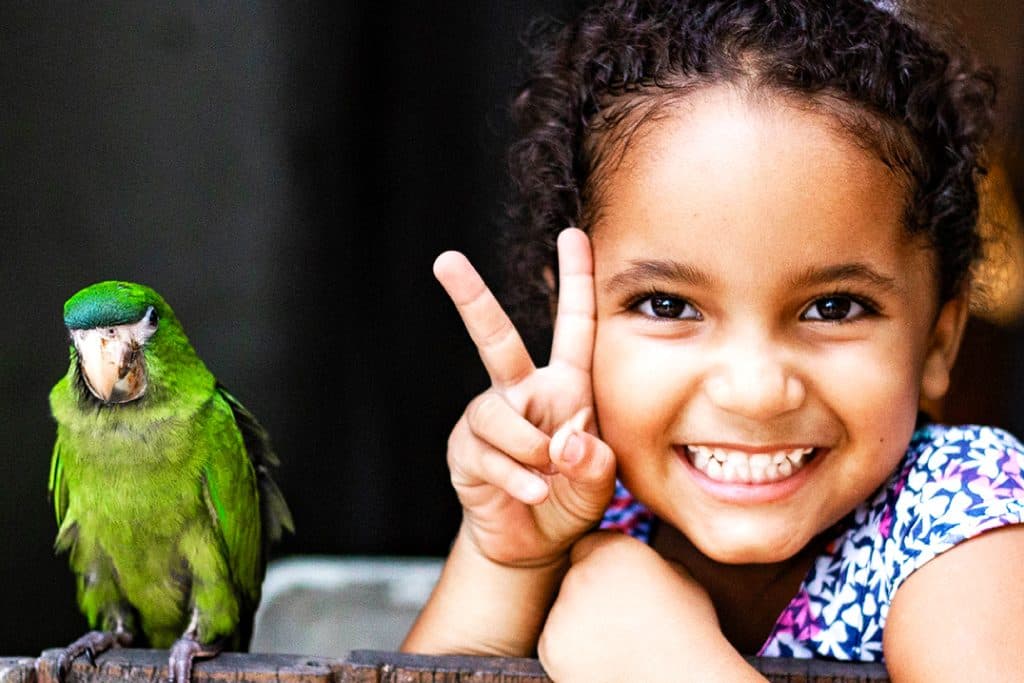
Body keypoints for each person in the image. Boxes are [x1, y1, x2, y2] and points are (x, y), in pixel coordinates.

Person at [401, 0, 1024, 680]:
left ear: (937, 344)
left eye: (832, 307)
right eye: (668, 304)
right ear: (576, 318)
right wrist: (505, 561)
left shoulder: (959, 517)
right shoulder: (583, 496)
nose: (755, 390)